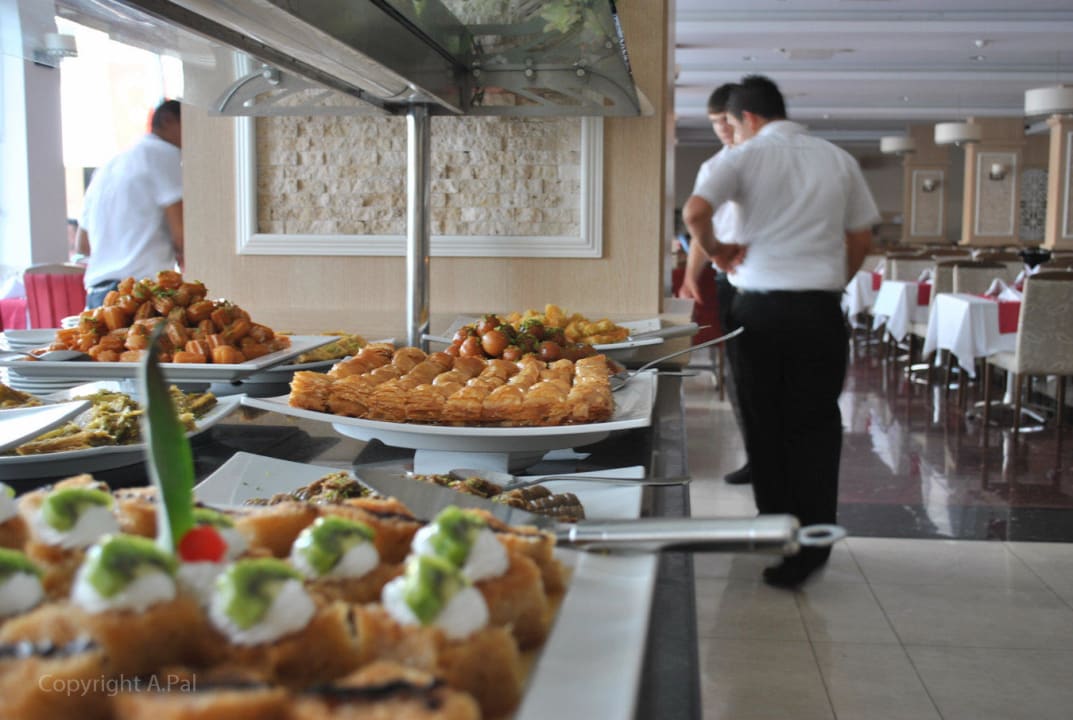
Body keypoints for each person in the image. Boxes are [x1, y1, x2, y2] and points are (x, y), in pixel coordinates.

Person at [681, 76, 879, 589]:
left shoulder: (741, 158)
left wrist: (719, 252)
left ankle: (776, 528)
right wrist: (835, 281)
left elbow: (695, 213)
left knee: (764, 422)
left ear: (747, 118)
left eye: (732, 124)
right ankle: (814, 541)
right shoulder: (837, 159)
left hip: (759, 313)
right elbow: (861, 237)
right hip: (819, 309)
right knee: (816, 425)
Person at [680, 82, 752, 486]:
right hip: (730, 276)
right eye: (714, 123)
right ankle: (755, 454)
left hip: (766, 276)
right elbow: (699, 228)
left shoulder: (761, 160)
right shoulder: (714, 167)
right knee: (741, 371)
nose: (722, 129)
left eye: (726, 120)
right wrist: (692, 276)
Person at [76, 99, 183, 309]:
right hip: (139, 295)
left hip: (98, 296)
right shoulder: (163, 152)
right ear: (168, 120)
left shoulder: (109, 166)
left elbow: (83, 245)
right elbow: (181, 235)